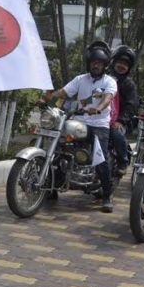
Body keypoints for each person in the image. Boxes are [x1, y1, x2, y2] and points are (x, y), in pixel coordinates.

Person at [48, 41, 117, 212]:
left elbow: (107, 98)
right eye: (93, 62)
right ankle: (52, 185)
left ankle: (107, 195)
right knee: (58, 148)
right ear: (89, 63)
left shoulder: (110, 81)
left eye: (99, 63)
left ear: (104, 65)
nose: (96, 65)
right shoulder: (80, 79)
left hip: (99, 124)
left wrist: (99, 108)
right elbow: (63, 93)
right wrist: (47, 98)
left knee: (99, 157)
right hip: (79, 122)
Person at [108, 45, 139, 177]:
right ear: (113, 62)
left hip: (119, 120)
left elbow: (131, 105)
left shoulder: (128, 84)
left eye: (125, 64)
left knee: (116, 133)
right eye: (120, 62)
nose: (121, 65)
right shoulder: (103, 78)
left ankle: (123, 162)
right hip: (99, 117)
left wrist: (121, 120)